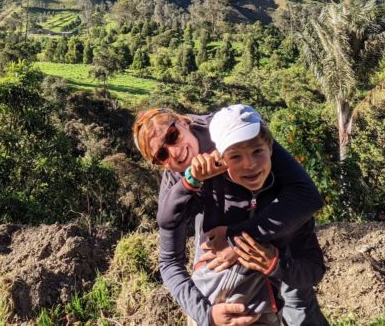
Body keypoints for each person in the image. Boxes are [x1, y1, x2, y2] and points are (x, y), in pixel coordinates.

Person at [133, 106, 328, 326]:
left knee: (298, 306)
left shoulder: (237, 131)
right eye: (161, 155)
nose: (174, 152)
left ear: (183, 122)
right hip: (230, 279)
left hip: (281, 241)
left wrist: (239, 241)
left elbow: (306, 196)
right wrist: (206, 315)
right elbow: (168, 255)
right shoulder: (178, 179)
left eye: (172, 136)